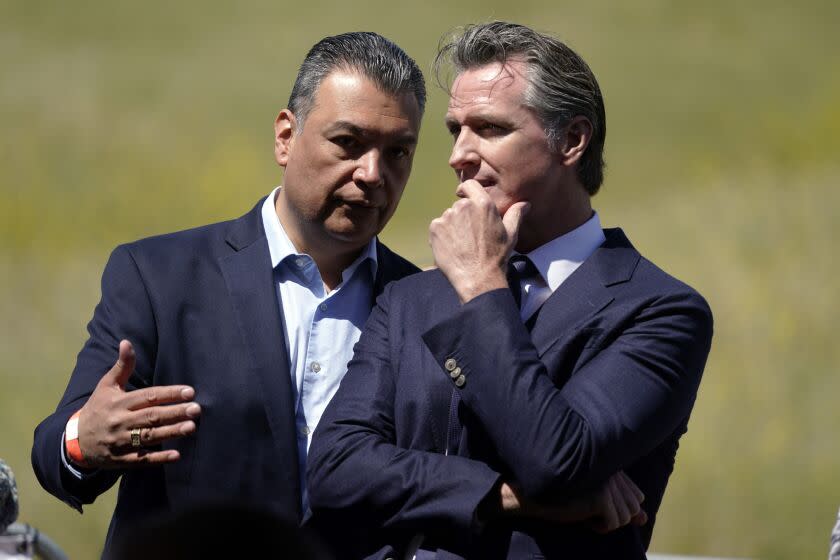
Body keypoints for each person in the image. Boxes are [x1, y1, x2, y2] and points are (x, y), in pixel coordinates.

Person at [307, 21, 713, 559]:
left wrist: (481, 284)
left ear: (571, 141)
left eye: (490, 129)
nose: (460, 155)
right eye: (456, 130)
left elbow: (556, 459)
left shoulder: (660, 311)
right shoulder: (413, 298)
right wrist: (501, 496)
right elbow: (335, 470)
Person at [31, 31, 424, 555]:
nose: (373, 174)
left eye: (397, 152)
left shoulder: (424, 303)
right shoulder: (160, 278)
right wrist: (85, 439)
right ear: (286, 137)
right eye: (348, 143)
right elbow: (55, 455)